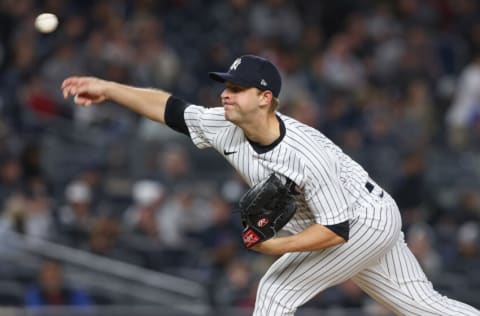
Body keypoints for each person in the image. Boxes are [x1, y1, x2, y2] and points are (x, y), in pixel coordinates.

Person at [61, 55, 480, 315]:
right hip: (360, 216)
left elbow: (337, 230)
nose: (225, 94)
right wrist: (109, 89)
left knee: (276, 291)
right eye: (225, 86)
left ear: (265, 98)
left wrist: (271, 247)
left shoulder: (305, 154)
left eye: (237, 89)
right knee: (423, 306)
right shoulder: (223, 125)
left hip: (360, 220)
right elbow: (169, 109)